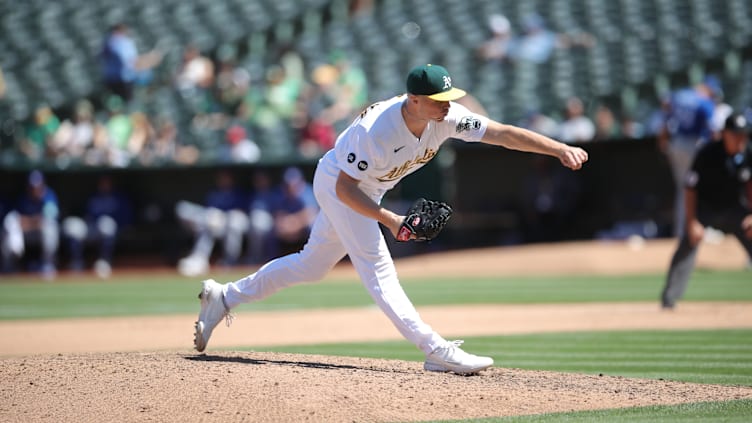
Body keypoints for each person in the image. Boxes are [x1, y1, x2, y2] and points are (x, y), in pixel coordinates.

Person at [193, 64, 588, 374]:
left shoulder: (447, 117)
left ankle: (224, 296)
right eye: (438, 98)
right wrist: (388, 218)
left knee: (311, 266)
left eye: (449, 96)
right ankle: (436, 350)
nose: (447, 104)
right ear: (414, 99)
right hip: (337, 183)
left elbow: (501, 133)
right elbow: (346, 191)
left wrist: (558, 149)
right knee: (377, 266)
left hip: (370, 188)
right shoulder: (376, 130)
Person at [661, 113, 752, 309]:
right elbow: (690, 188)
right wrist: (692, 221)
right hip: (706, 210)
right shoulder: (707, 153)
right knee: (688, 243)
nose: (740, 139)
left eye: (743, 135)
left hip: (735, 211)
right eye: (736, 134)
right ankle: (669, 298)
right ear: (724, 134)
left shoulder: (747, 154)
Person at [658, 80, 716, 237]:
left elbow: (665, 119)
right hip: (693, 145)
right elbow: (713, 131)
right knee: (695, 187)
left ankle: (681, 230)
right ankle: (696, 227)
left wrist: (664, 144)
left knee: (683, 189)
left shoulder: (678, 96)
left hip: (676, 145)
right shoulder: (704, 101)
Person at [176, 170, 249, 277]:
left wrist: (222, 216)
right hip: (213, 225)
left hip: (230, 224)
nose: (223, 181)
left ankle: (230, 261)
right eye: (221, 178)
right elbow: (208, 211)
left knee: (233, 222)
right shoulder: (214, 194)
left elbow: (241, 212)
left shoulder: (238, 193)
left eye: (226, 178)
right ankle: (199, 259)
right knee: (185, 209)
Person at [61, 175, 133, 278]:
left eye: (107, 182)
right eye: (102, 183)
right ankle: (76, 262)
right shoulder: (93, 197)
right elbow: (85, 214)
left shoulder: (119, 198)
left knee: (107, 223)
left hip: (109, 230)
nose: (104, 185)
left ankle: (104, 262)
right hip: (91, 227)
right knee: (72, 226)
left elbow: (126, 217)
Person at [1, 171, 60, 279]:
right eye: (32, 186)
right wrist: (33, 221)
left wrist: (29, 221)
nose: (34, 189)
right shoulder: (23, 197)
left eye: (37, 186)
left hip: (40, 233)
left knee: (50, 227)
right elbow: (17, 219)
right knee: (10, 222)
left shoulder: (49, 196)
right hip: (25, 233)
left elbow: (47, 219)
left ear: (42, 185)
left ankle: (48, 265)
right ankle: (10, 264)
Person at [100, 23, 162, 102]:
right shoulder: (121, 42)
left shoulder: (108, 42)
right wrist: (151, 60)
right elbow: (132, 63)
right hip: (122, 83)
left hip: (112, 81)